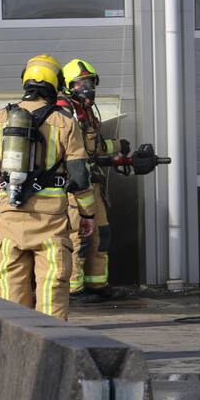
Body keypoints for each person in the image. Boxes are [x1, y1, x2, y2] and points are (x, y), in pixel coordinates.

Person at [0, 55, 96, 319]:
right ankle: (54, 345)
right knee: (52, 287)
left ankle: (16, 345)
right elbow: (79, 175)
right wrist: (88, 214)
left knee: (10, 288)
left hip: (10, 216)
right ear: (55, 83)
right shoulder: (65, 122)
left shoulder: (0, 119)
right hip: (51, 220)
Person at [58, 59, 128, 301]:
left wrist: (118, 146)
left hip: (93, 183)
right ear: (68, 86)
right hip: (74, 185)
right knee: (77, 235)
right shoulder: (64, 111)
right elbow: (75, 151)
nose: (87, 87)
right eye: (81, 83)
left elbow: (94, 148)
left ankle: (97, 283)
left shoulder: (85, 111)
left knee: (102, 232)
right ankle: (73, 290)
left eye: (90, 82)